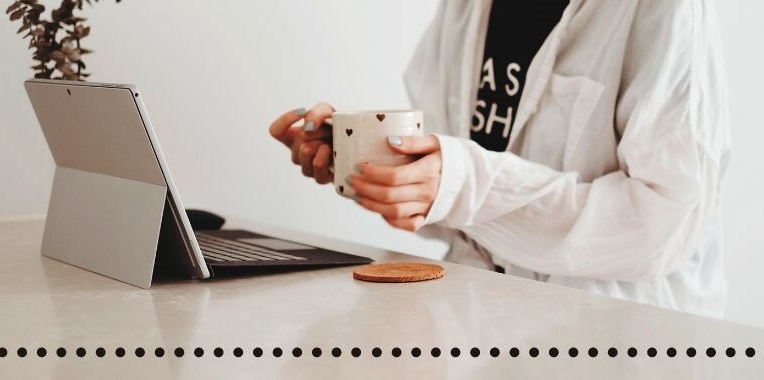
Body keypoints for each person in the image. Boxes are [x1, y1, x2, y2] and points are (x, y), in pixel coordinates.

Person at [268, 0, 730, 317]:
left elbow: (663, 229)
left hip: (623, 342)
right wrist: (368, 166)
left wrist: (463, 182)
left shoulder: (663, 9)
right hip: (483, 324)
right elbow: (462, 207)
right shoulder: (470, 8)